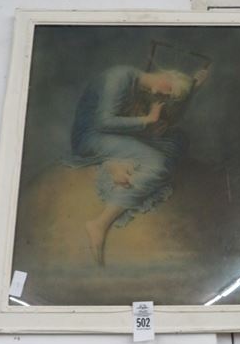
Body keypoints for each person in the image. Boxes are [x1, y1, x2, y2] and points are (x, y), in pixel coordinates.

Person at [67, 64, 209, 265]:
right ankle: (100, 223)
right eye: (169, 89)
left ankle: (116, 163)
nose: (165, 95)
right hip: (91, 138)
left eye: (170, 95)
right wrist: (147, 120)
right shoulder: (119, 77)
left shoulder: (139, 85)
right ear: (166, 74)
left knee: (175, 140)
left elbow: (163, 109)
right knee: (157, 163)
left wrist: (193, 89)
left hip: (112, 136)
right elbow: (103, 122)